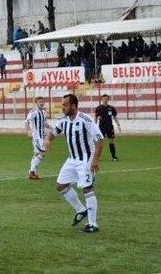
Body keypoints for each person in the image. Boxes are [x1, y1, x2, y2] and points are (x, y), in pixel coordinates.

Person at [43, 94, 104, 234]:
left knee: (87, 188)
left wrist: (95, 159)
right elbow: (53, 132)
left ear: (74, 106)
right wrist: (47, 140)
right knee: (60, 185)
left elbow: (99, 140)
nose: (62, 107)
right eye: (62, 104)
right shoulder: (63, 120)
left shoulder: (85, 120)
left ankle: (93, 224)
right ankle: (81, 210)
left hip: (86, 159)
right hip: (72, 159)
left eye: (65, 105)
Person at [25, 97, 51, 180]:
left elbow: (44, 123)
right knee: (42, 152)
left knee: (36, 154)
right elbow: (27, 122)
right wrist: (28, 131)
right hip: (36, 137)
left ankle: (33, 173)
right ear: (36, 103)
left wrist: (52, 128)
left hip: (41, 136)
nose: (42, 103)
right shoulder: (33, 112)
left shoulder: (43, 112)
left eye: (43, 102)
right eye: (40, 102)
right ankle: (32, 172)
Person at [94, 95, 122, 161]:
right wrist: (94, 126)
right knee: (99, 142)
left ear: (108, 100)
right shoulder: (99, 108)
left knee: (112, 141)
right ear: (102, 99)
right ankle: (97, 157)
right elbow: (96, 117)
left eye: (106, 99)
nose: (105, 100)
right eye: (104, 99)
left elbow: (115, 117)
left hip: (110, 127)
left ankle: (113, 157)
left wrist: (118, 124)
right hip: (101, 127)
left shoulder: (111, 108)